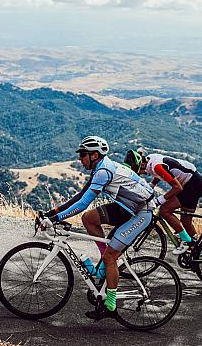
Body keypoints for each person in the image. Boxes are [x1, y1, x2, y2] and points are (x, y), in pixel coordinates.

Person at [40, 136, 154, 320]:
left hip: (141, 213)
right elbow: (80, 196)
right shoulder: (100, 168)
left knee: (111, 257)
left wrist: (55, 219)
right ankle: (104, 264)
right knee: (89, 218)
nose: (80, 159)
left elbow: (83, 203)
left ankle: (110, 304)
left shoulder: (103, 171)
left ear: (94, 155)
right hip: (128, 208)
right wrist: (52, 213)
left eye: (83, 155)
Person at [125, 149, 202, 255]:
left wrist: (159, 200)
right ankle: (196, 250)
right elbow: (160, 174)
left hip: (192, 186)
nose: (140, 174)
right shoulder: (151, 159)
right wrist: (152, 185)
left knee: (164, 210)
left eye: (138, 172)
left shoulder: (156, 166)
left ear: (142, 165)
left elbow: (177, 188)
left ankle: (187, 241)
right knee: (185, 221)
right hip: (193, 182)